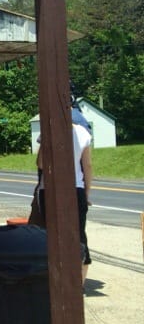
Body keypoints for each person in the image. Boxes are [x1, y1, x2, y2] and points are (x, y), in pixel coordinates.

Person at [35, 117, 93, 284]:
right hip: (76, 188)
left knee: (52, 235)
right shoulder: (83, 132)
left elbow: (40, 163)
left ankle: (56, 280)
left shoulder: (47, 132)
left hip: (50, 188)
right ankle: (79, 284)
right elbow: (87, 166)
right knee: (79, 235)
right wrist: (86, 193)